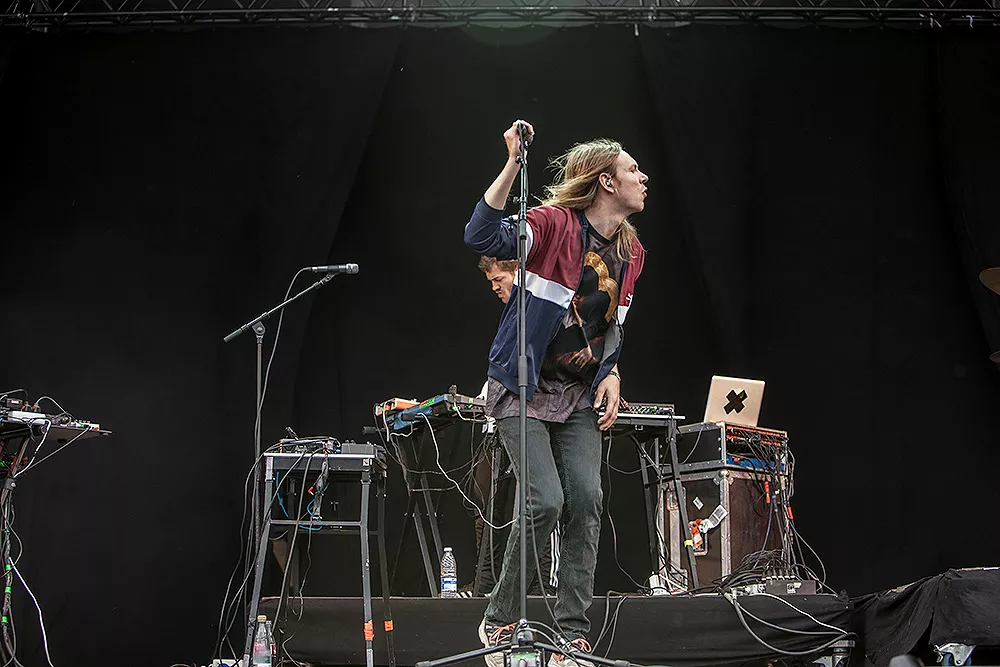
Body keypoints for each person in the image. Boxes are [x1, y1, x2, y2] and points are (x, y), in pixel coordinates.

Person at [464, 120, 648, 667]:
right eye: (633, 169)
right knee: (544, 500)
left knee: (587, 501)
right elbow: (481, 236)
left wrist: (611, 372)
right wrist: (513, 165)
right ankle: (499, 618)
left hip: (577, 394)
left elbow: (611, 326)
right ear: (606, 182)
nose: (643, 177)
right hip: (520, 384)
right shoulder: (552, 225)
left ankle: (571, 634)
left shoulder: (631, 252)